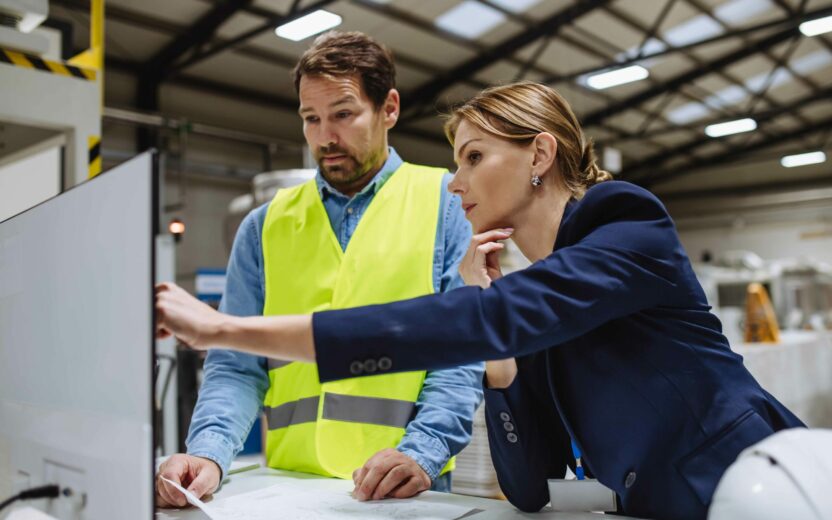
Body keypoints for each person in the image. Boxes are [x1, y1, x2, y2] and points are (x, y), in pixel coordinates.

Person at [155, 81, 804, 520]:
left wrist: (227, 330)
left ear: (539, 155)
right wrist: (498, 347)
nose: (455, 182)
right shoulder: (541, 295)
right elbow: (525, 488)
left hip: (766, 493)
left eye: (472, 158)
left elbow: (485, 319)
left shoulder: (625, 226)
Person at [154, 31, 484, 509]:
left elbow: (460, 354)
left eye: (344, 115)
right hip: (285, 492)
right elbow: (235, 365)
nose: (325, 137)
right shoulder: (264, 226)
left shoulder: (447, 204)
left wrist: (422, 453)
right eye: (311, 119)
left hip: (406, 491)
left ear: (388, 108)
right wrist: (208, 452)